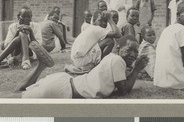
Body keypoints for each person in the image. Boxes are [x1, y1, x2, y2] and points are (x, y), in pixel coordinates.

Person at [14, 35, 149, 99]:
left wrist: (133, 69)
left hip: (64, 81)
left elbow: (122, 81)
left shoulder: (111, 58)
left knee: (18, 94)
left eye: (136, 52)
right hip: (64, 89)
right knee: (16, 100)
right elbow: (123, 90)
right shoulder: (118, 60)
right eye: (129, 49)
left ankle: (40, 66)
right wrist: (137, 69)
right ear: (118, 48)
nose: (133, 54)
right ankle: (40, 66)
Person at [0, 6, 42, 72]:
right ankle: (25, 62)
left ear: (31, 17)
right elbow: (6, 46)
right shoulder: (13, 26)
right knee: (21, 34)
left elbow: (39, 47)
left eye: (29, 17)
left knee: (23, 34)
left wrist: (31, 32)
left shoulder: (35, 26)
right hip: (16, 56)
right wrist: (17, 32)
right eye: (24, 17)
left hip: (31, 56)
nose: (26, 19)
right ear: (18, 17)